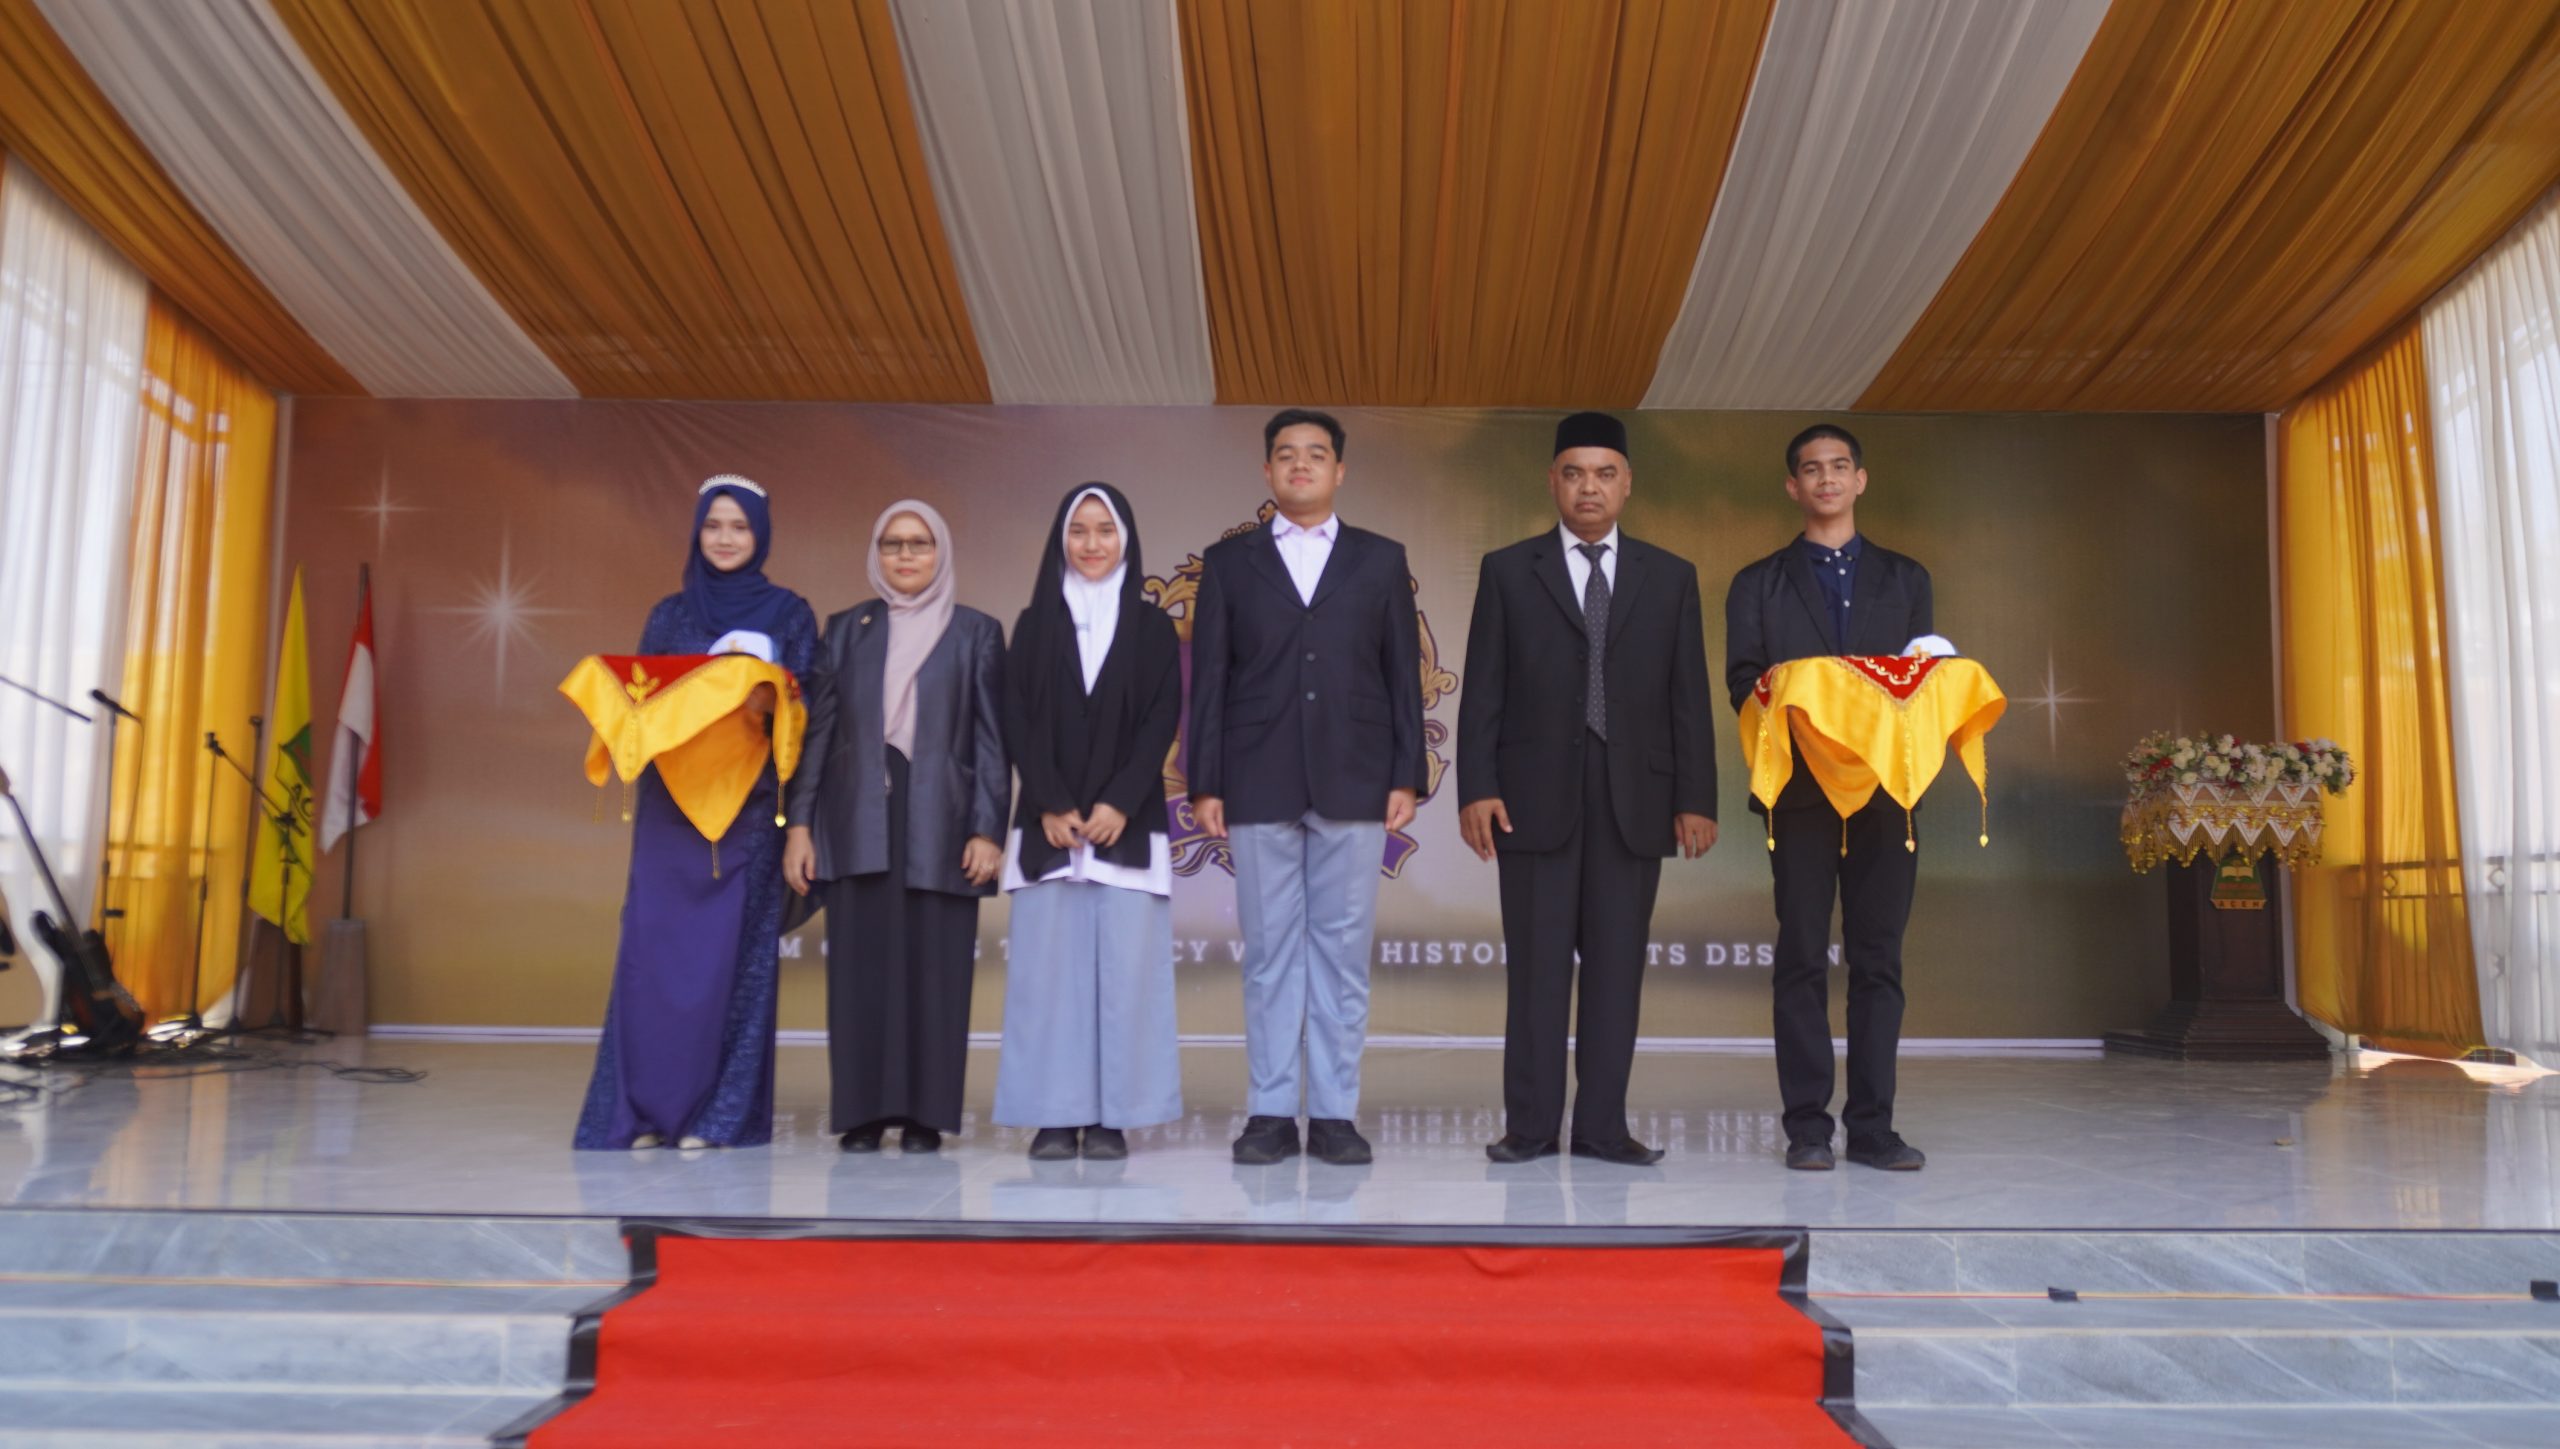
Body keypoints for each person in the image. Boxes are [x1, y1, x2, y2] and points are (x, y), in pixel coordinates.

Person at [1457, 413, 1718, 1168]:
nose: (1589, 488)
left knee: (1615, 971)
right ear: (1552, 482)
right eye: (1574, 473)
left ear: (1627, 483)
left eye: (1605, 474)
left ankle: (1603, 1127)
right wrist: (1477, 786)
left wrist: (1696, 797)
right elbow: (1484, 689)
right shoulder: (1509, 569)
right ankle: (1530, 1127)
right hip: (1530, 799)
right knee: (1536, 971)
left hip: (1634, 801)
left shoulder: (1669, 576)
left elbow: (1688, 696)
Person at [1187, 409, 1424, 1167]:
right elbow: (1210, 680)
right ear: (1267, 471)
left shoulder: (1380, 559)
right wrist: (1204, 781)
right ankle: (1268, 1112)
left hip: (1357, 776)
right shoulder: (1228, 562)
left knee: (1342, 956)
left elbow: (1402, 676)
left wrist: (1406, 774)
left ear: (1339, 471)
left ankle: (1332, 1114)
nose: (1300, 464)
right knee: (1269, 956)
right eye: (1286, 454)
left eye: (1315, 454)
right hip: (1256, 777)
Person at [575, 475, 818, 1150]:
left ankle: (720, 1117)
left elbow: (809, 711)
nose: (726, 538)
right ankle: (644, 1113)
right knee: (655, 956)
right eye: (714, 525)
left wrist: (773, 703)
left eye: (740, 526)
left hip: (751, 815)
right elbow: (641, 705)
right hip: (671, 813)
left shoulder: (790, 614)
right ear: (696, 531)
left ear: (761, 534)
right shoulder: (670, 615)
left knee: (736, 962)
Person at [1725, 424, 1935, 1172]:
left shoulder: (1906, 578)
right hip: (1799, 793)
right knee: (1802, 957)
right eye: (1811, 469)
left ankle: (1873, 1127)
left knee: (1879, 961)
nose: (1826, 479)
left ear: (1860, 479)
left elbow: (1923, 682)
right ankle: (1807, 1128)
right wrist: (1806, 709)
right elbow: (1743, 685)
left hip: (1886, 793)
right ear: (1794, 486)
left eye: (1839, 466)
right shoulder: (1758, 583)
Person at [784, 501, 1007, 1154]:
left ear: (941, 552)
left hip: (944, 818)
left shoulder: (977, 632)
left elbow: (993, 740)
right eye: (892, 543)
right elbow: (819, 735)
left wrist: (988, 828)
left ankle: (923, 1116)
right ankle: (861, 1113)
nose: (906, 555)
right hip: (856, 815)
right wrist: (799, 825)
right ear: (877, 554)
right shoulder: (844, 630)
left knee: (935, 968)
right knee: (860, 966)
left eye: (919, 543)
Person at [992, 484, 1185, 1159]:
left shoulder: (1153, 627)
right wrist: (1047, 799)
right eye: (1080, 530)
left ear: (1125, 540)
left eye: (1106, 530)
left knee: (1126, 980)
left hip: (1126, 826)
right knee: (1048, 982)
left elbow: (1162, 718)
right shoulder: (1033, 623)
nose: (1092, 543)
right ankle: (1053, 1114)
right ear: (1061, 539)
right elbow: (1016, 716)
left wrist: (1119, 802)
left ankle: (1112, 1118)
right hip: (1048, 829)